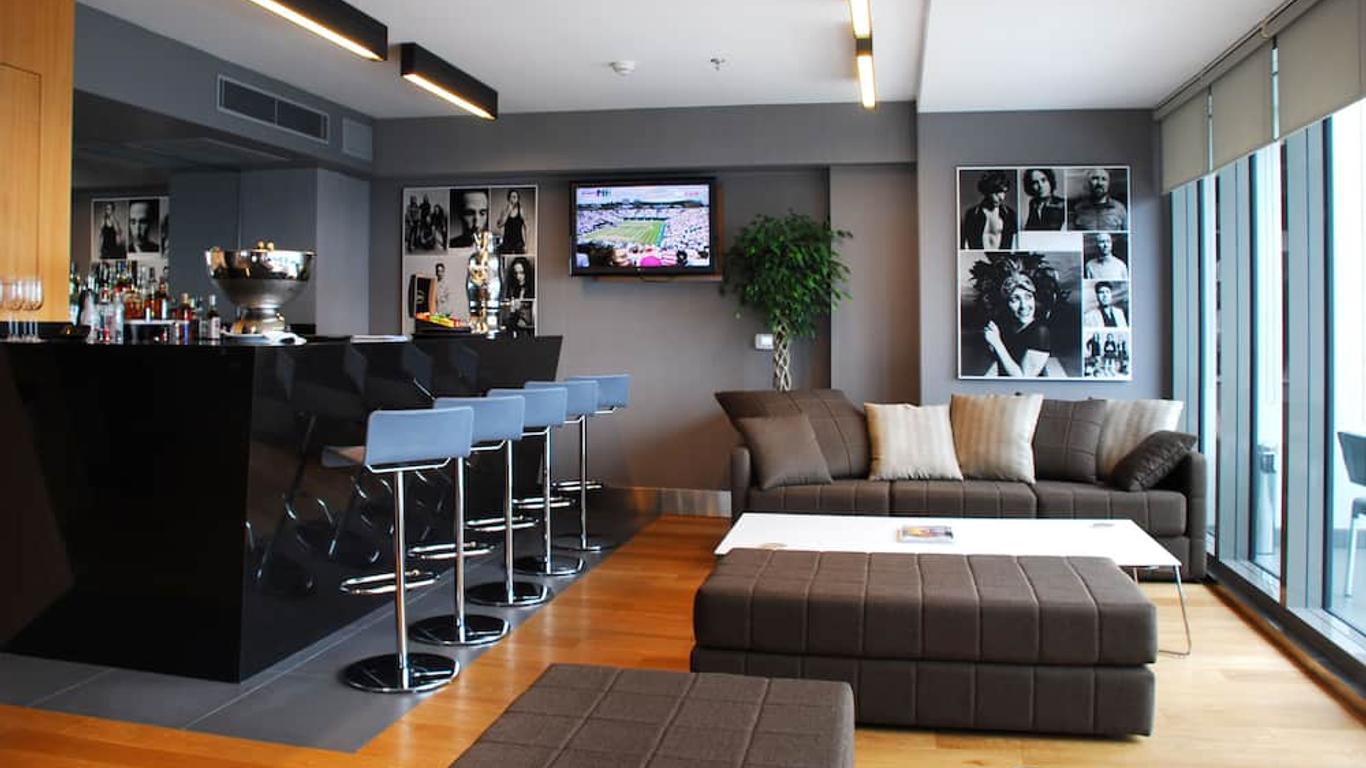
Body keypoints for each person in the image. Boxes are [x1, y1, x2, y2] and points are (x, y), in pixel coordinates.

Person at [961, 170, 1017, 249]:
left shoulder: (1009, 215)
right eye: (997, 192)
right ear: (987, 191)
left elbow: (1014, 246)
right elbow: (965, 245)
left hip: (1001, 256)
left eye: (1004, 192)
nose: (1001, 197)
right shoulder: (972, 214)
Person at [496, 189, 528, 254]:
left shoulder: (521, 210)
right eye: (511, 197)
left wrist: (526, 244)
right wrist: (508, 212)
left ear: (518, 199)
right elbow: (500, 225)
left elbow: (526, 228)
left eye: (514, 197)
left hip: (518, 242)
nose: (512, 199)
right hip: (507, 241)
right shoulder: (504, 210)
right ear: (508, 198)